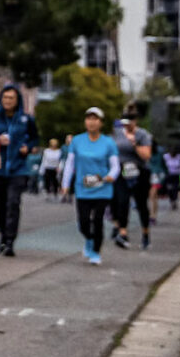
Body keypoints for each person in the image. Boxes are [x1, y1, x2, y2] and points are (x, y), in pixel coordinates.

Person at [61, 107, 119, 265]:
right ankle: (89, 238)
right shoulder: (77, 141)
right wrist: (65, 184)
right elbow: (69, 164)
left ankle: (95, 252)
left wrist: (110, 176)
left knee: (98, 220)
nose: (91, 122)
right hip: (83, 188)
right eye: (88, 118)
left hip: (103, 188)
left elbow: (115, 166)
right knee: (84, 222)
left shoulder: (108, 143)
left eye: (95, 119)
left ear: (101, 122)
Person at [0, 84, 39, 256]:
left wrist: (28, 147)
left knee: (13, 203)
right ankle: (3, 234)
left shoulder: (26, 119)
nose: (8, 101)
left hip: (18, 168)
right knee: (0, 205)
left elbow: (34, 139)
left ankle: (10, 240)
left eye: (11, 98)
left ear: (17, 100)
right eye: (5, 98)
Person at [111, 110, 153, 250]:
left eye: (129, 123)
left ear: (135, 122)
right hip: (122, 171)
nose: (126, 126)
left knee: (141, 204)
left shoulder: (143, 134)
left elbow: (146, 155)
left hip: (139, 171)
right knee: (121, 201)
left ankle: (145, 233)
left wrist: (134, 143)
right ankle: (123, 233)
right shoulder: (117, 133)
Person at [162, 147, 180, 212]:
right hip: (168, 175)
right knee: (169, 189)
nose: (172, 154)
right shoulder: (166, 156)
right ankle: (172, 201)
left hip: (176, 175)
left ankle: (175, 201)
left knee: (175, 188)